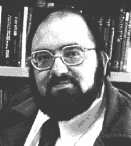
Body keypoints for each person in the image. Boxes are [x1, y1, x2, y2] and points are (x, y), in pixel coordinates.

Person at [0, 7, 131, 146]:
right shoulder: (17, 104)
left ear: (103, 61)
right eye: (43, 57)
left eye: (73, 53)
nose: (58, 70)